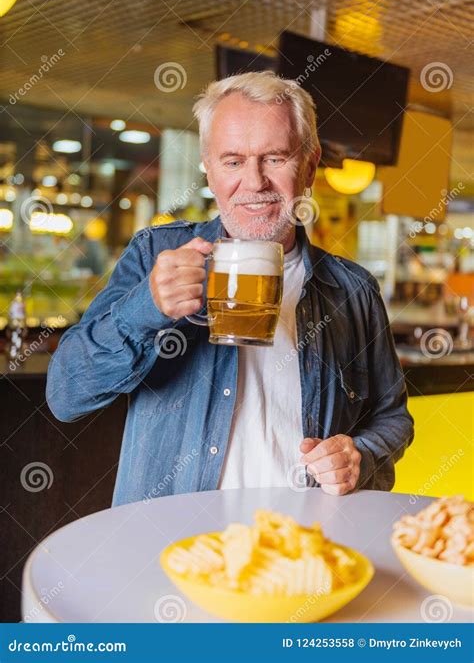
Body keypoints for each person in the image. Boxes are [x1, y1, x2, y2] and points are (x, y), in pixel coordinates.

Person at [46, 71, 414, 506]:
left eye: (275, 158)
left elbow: (392, 417)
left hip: (299, 545)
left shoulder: (353, 291)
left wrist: (361, 454)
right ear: (209, 168)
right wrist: (145, 308)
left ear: (310, 164)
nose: (254, 182)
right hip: (171, 547)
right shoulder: (156, 254)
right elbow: (66, 395)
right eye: (233, 161)